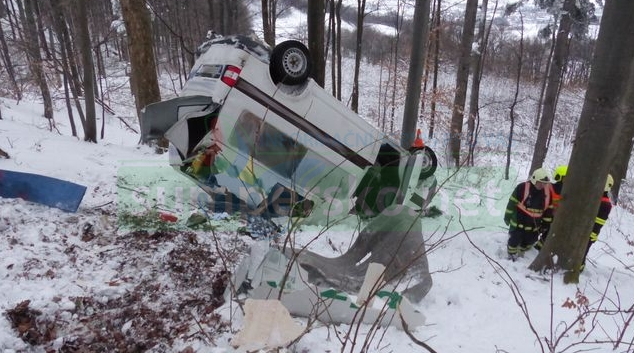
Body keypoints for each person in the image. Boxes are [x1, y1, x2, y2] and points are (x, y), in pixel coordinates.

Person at [504, 168, 554, 261]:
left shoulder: (547, 193)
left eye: (544, 183)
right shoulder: (522, 188)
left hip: (535, 225)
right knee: (514, 240)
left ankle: (522, 250)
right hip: (519, 222)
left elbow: (548, 209)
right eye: (541, 182)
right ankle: (511, 254)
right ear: (534, 179)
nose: (543, 185)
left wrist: (545, 224)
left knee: (529, 241)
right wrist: (507, 217)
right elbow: (512, 203)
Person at [580, 174, 614, 272]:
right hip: (587, 233)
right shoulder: (599, 199)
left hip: (589, 234)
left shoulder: (605, 204)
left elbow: (597, 223)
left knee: (582, 253)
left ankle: (578, 268)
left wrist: (590, 235)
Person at [534, 164, 567, 249]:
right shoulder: (549, 187)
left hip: (554, 216)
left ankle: (540, 245)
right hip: (544, 214)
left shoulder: (552, 187)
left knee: (547, 232)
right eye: (565, 178)